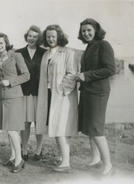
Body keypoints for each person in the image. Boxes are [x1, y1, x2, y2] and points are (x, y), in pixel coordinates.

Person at [0, 33, 30, 173]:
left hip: (15, 97)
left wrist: (11, 82)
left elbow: (26, 75)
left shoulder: (16, 56)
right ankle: (14, 156)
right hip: (2, 97)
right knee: (9, 130)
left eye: (1, 43)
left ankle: (20, 160)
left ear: (6, 43)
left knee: (13, 129)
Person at [75, 18, 115, 175]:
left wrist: (85, 75)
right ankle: (95, 159)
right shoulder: (89, 47)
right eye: (83, 31)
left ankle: (108, 165)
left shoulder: (103, 45)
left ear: (96, 30)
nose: (86, 33)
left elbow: (110, 69)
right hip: (88, 91)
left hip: (98, 92)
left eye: (89, 30)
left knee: (96, 128)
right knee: (89, 128)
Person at [36, 25, 79, 172]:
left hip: (62, 96)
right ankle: (62, 158)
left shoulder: (68, 52)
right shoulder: (46, 54)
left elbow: (72, 74)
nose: (51, 39)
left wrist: (62, 90)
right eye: (48, 36)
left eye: (53, 36)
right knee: (54, 127)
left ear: (59, 36)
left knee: (60, 128)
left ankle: (66, 163)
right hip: (48, 95)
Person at [16, 25, 46, 161]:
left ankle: (39, 149)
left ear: (38, 38)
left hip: (40, 92)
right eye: (29, 36)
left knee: (39, 121)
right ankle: (24, 149)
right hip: (24, 92)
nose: (32, 38)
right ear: (26, 36)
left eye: (35, 36)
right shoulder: (19, 52)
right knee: (25, 122)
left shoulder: (44, 52)